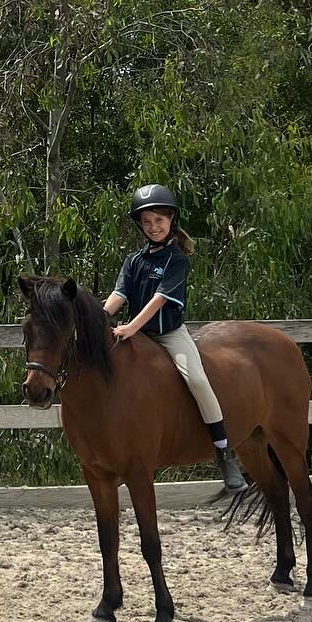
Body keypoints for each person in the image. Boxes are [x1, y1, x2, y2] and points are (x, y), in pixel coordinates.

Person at [104, 184, 248, 494]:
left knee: (196, 380)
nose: (153, 227)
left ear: (171, 220)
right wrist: (99, 318)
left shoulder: (177, 259)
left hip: (168, 336)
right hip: (136, 338)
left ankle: (224, 455)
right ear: (140, 226)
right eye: (147, 222)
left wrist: (131, 326)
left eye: (159, 220)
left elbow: (159, 299)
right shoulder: (133, 260)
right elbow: (119, 294)